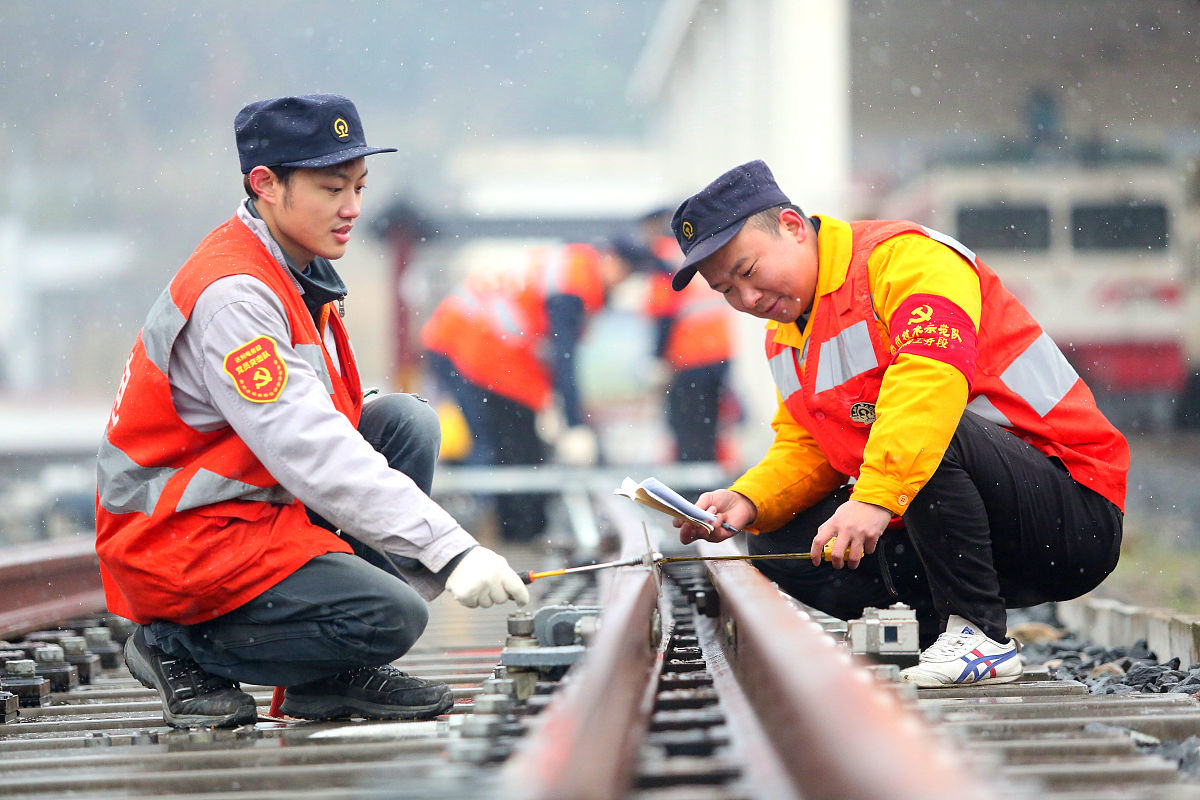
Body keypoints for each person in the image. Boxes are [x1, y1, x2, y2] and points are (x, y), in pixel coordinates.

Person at [95, 94, 529, 729]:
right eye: (332, 188)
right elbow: (312, 450)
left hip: (251, 512)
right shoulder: (234, 296)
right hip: (181, 536)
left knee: (403, 423)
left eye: (358, 186)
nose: (352, 208)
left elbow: (329, 426)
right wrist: (452, 551)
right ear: (266, 185)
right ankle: (173, 645)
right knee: (390, 617)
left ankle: (327, 682)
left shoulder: (296, 270)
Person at [669, 160, 1128, 687]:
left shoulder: (906, 259)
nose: (746, 299)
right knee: (776, 540)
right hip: (963, 516)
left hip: (1069, 512)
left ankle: (980, 635)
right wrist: (747, 500)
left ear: (794, 227)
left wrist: (875, 498)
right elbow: (809, 444)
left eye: (747, 272)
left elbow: (929, 384)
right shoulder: (786, 335)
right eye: (726, 290)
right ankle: (936, 634)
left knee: (927, 429)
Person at [420, 240, 633, 541]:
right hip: (468, 348)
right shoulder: (574, 282)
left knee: (504, 443)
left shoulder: (565, 269)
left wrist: (552, 404)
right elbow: (563, 357)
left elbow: (546, 353)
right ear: (611, 259)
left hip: (463, 342)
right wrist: (571, 422)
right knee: (495, 445)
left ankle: (507, 526)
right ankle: (488, 529)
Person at [633, 208, 739, 465]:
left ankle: (693, 494)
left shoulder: (662, 259)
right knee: (709, 427)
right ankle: (712, 486)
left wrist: (658, 359)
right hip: (718, 354)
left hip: (690, 358)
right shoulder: (692, 252)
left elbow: (664, 313)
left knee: (687, 432)